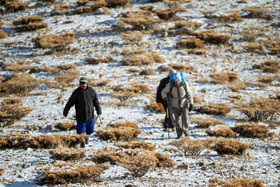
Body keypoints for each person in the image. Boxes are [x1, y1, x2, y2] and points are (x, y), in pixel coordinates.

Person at [63, 77, 102, 148]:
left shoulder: (91, 91)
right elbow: (70, 103)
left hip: (90, 116)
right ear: (80, 84)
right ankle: (82, 142)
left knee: (90, 130)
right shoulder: (76, 92)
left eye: (85, 84)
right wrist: (65, 111)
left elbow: (96, 102)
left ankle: (86, 138)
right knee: (80, 132)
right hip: (81, 116)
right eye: (82, 84)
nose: (83, 85)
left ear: (87, 84)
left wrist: (98, 110)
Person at [161, 72, 193, 139]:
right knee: (178, 121)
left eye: (178, 81)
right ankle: (179, 135)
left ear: (180, 80)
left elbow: (189, 94)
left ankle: (186, 133)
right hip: (175, 105)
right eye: (175, 81)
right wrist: (165, 98)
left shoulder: (185, 84)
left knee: (185, 119)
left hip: (184, 104)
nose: (176, 82)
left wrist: (191, 104)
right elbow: (163, 92)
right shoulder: (170, 85)